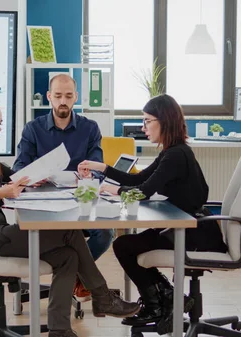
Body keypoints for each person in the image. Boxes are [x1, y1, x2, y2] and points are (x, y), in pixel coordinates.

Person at [0, 97, 140, 337]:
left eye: (0, 123)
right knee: (69, 231)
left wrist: (34, 177)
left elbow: (12, 174)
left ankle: (60, 329)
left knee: (67, 256)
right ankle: (102, 297)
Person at [77, 94, 228, 329]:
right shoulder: (172, 152)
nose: (143, 127)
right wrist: (101, 167)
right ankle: (165, 297)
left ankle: (157, 303)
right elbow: (137, 178)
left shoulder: (176, 155)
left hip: (193, 233)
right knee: (125, 245)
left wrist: (114, 190)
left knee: (123, 246)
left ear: (164, 121)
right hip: (183, 226)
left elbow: (144, 190)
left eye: (148, 121)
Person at [13, 74, 114, 301]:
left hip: (79, 201)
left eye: (68, 96)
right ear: (49, 97)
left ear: (75, 98)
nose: (63, 101)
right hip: (44, 203)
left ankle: (77, 277)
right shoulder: (33, 129)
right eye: (58, 96)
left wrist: (89, 175)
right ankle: (80, 278)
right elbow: (19, 167)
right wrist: (31, 177)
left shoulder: (90, 128)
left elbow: (98, 168)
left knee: (107, 233)